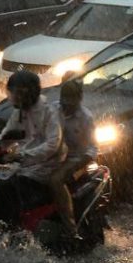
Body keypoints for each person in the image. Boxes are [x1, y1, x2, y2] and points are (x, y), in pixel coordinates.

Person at [0, 71, 67, 226]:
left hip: (47, 164)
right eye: (12, 92)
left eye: (18, 93)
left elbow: (52, 145)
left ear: (30, 93)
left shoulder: (49, 112)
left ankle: (18, 226)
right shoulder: (20, 112)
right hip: (25, 160)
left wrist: (22, 155)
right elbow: (5, 135)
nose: (14, 97)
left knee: (9, 186)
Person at [50, 78, 98, 238]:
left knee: (56, 180)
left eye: (71, 103)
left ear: (79, 100)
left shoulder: (86, 118)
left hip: (77, 160)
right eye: (65, 103)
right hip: (53, 156)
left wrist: (76, 165)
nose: (67, 107)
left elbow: (93, 149)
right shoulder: (52, 110)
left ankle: (70, 228)